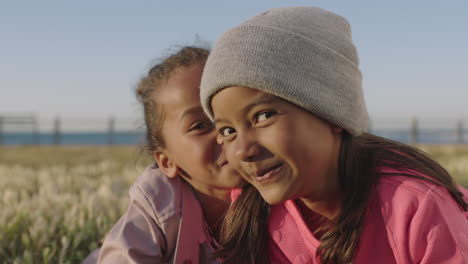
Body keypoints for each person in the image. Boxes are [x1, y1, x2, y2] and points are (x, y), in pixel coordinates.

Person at [199, 7, 468, 264]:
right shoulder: (252, 208)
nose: (243, 150)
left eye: (264, 115)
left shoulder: (416, 206)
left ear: (333, 114)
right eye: (228, 131)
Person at [82, 46, 244, 264]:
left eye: (231, 114)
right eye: (201, 125)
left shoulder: (267, 188)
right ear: (167, 162)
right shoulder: (160, 202)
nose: (224, 132)